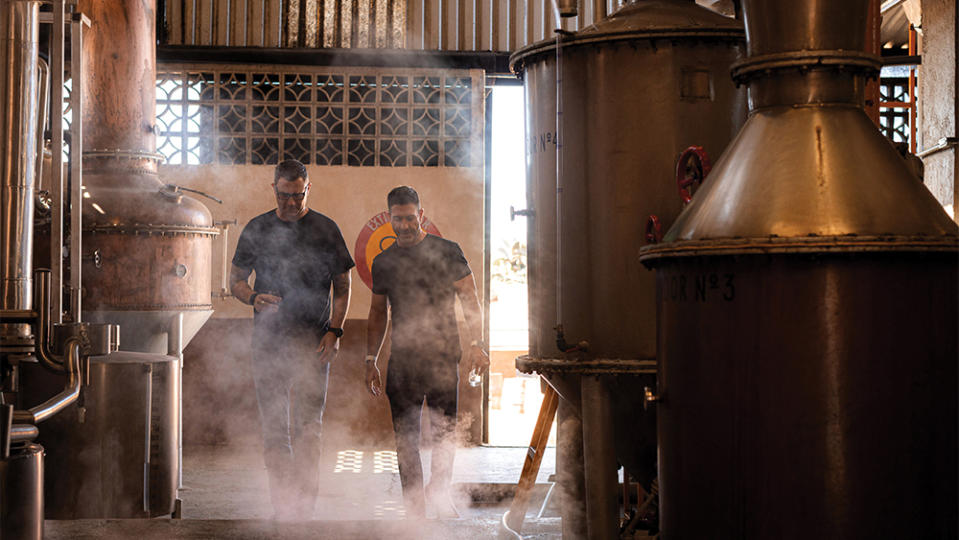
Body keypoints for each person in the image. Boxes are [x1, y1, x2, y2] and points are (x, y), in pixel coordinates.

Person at [229, 159, 353, 520]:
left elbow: (343, 288)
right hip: (268, 346)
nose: (291, 203)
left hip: (315, 346)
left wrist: (335, 331)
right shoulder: (257, 228)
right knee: (274, 432)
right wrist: (252, 297)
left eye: (298, 195)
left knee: (309, 432)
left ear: (308, 189)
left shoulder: (326, 229)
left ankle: (305, 510)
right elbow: (235, 280)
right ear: (274, 189)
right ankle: (283, 507)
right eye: (285, 196)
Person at [365, 186, 489, 519]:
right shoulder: (384, 261)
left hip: (443, 357)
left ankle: (440, 494)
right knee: (405, 438)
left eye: (409, 217)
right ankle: (414, 505)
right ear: (389, 218)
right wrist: (370, 358)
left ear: (421, 215)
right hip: (402, 362)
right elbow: (378, 313)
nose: (404, 225)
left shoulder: (448, 251)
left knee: (444, 433)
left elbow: (470, 300)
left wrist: (477, 343)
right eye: (397, 219)